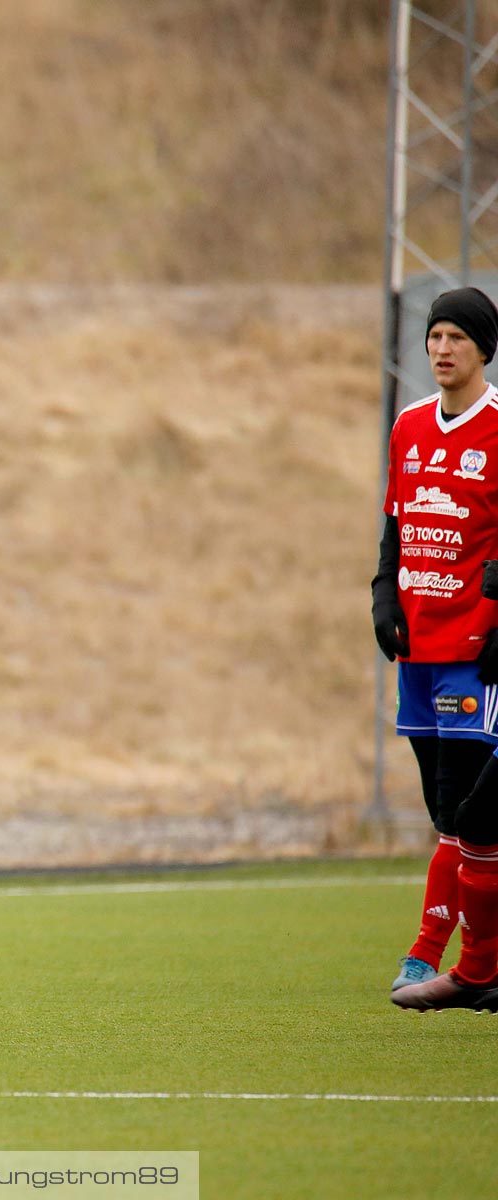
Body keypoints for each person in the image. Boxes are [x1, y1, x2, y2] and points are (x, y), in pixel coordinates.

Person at [370, 287, 498, 1000]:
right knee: (440, 809)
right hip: (417, 648)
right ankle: (465, 958)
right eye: (433, 336)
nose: (441, 349)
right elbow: (396, 524)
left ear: (484, 347)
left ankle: (430, 956)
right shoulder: (410, 427)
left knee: (464, 809)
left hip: (473, 651)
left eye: (456, 337)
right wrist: (383, 593)